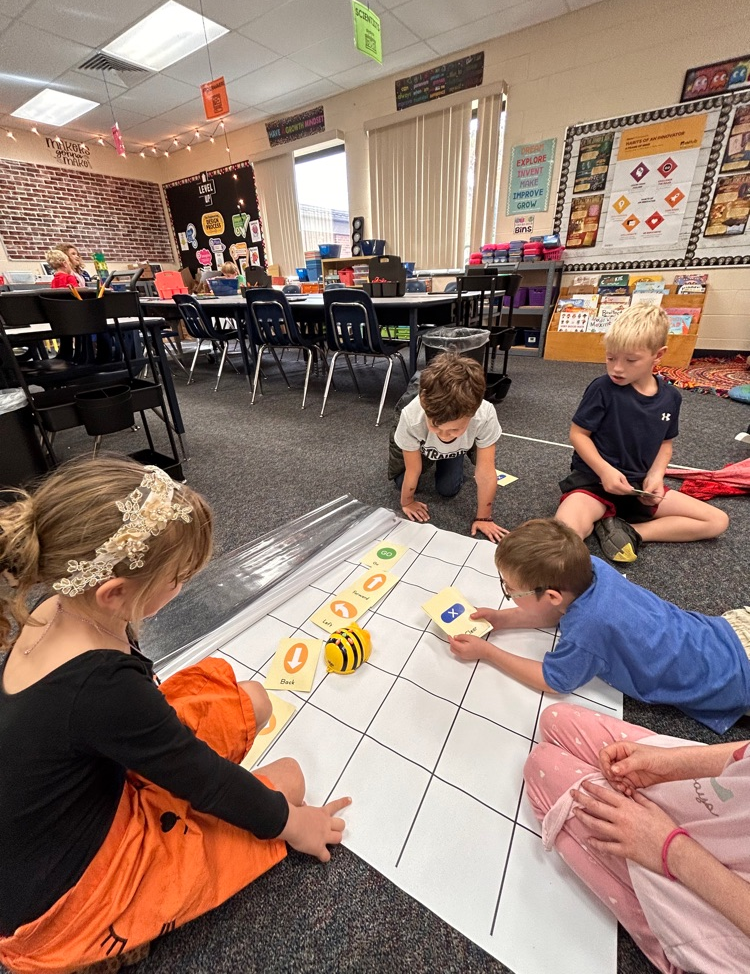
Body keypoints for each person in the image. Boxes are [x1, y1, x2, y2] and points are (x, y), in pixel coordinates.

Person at [0, 458, 349, 973]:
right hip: (66, 900)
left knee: (251, 698)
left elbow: (146, 730)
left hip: (81, 797)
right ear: (115, 593)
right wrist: (293, 825)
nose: (183, 588)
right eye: (179, 579)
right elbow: (207, 782)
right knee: (290, 784)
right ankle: (100, 949)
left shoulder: (55, 605)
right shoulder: (103, 686)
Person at [449, 517, 750, 734]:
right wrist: (502, 619)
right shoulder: (592, 568)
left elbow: (554, 681)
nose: (508, 592)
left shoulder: (588, 629)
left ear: (552, 595)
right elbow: (553, 613)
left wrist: (488, 653)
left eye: (510, 589)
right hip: (730, 630)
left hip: (734, 679)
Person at [524, 702, 750, 974]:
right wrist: (671, 763)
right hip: (721, 797)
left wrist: (668, 848)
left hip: (713, 909)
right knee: (553, 718)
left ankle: (668, 944)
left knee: (539, 765)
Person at [555, 303, 728, 562]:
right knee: (562, 535)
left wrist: (656, 477)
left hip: (640, 489)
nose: (617, 368)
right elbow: (578, 434)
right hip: (595, 482)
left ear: (658, 355)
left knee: (717, 521)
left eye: (630, 360)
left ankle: (629, 531)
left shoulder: (670, 397)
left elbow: (666, 444)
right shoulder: (602, 388)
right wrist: (604, 471)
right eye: (610, 358)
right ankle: (602, 520)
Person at [388, 353, 507, 542]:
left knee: (448, 489)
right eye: (435, 425)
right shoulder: (411, 415)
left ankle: (455, 454)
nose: (443, 435)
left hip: (456, 449)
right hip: (422, 447)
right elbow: (414, 468)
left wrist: (484, 517)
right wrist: (407, 502)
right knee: (402, 482)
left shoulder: (485, 415)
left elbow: (485, 471)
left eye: (454, 429)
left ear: (473, 412)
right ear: (424, 403)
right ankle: (449, 447)